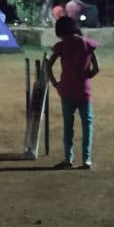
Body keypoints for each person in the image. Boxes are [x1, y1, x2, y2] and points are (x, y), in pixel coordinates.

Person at [45, 15, 100, 169]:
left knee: (68, 125)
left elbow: (49, 66)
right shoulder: (87, 44)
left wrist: (56, 84)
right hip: (83, 91)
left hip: (66, 90)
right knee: (87, 125)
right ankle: (86, 159)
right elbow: (97, 68)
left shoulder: (62, 45)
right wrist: (86, 77)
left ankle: (68, 159)